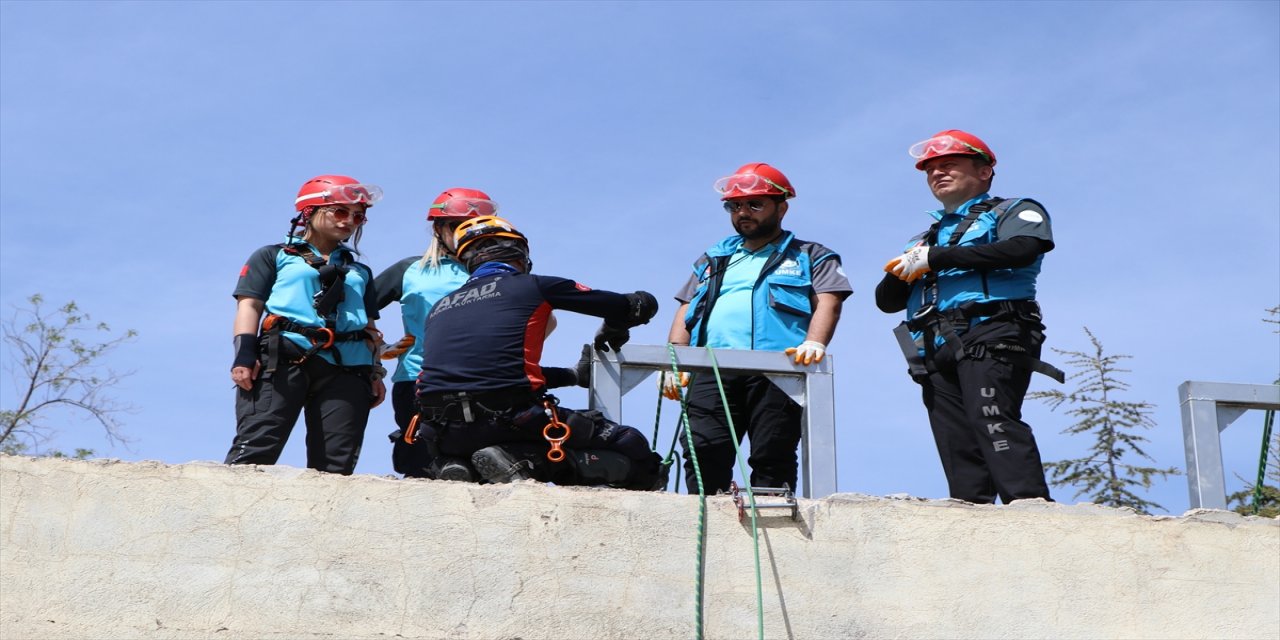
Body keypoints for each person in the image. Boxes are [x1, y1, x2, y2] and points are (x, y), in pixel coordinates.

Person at [875, 129, 1064, 504]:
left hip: (994, 329)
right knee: (955, 438)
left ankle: (1029, 508)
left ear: (984, 172)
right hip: (935, 344)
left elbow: (1023, 249)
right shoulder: (926, 237)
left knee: (991, 417)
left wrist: (938, 259)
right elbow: (886, 301)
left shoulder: (1012, 210)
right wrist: (906, 265)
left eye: (949, 165)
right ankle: (970, 514)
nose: (937, 174)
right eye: (930, 170)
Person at [407, 215, 665, 488]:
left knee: (491, 426)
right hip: (509, 420)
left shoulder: (440, 308)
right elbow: (637, 305)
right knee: (631, 445)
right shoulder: (534, 286)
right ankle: (523, 458)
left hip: (443, 433)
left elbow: (485, 374)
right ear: (519, 254)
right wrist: (613, 327)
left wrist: (572, 376)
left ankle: (462, 466)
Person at [664, 163, 852, 494]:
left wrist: (815, 342)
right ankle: (708, 515)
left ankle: (771, 525)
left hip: (777, 367)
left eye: (754, 204)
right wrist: (675, 359)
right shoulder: (714, 259)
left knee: (772, 452)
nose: (743, 213)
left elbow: (829, 300)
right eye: (734, 206)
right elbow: (686, 308)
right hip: (712, 367)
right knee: (702, 448)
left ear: (782, 208)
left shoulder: (811, 255)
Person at [227, 174, 387, 475]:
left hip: (349, 366)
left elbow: (368, 326)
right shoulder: (274, 256)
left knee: (336, 463)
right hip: (285, 357)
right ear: (309, 212)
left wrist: (376, 372)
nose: (349, 221)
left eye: (358, 215)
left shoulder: (359, 270)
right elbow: (249, 305)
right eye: (340, 211)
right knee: (258, 444)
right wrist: (244, 355)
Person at [371, 188, 500, 478]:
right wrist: (379, 348)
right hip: (418, 380)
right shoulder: (411, 269)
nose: (467, 233)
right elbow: (355, 310)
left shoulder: (498, 271)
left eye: (478, 226)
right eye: (458, 226)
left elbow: (536, 318)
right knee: (422, 466)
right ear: (438, 228)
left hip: (485, 382)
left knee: (483, 469)